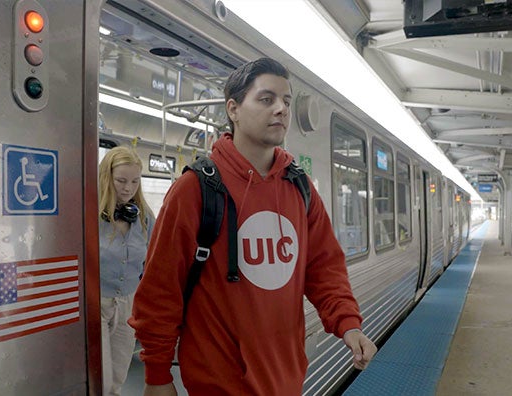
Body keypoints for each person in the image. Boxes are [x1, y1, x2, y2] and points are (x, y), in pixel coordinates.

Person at [129, 58, 377, 396]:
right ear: (233, 108)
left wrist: (349, 325)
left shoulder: (299, 188)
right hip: (218, 382)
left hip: (287, 378)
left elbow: (324, 270)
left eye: (286, 101)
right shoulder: (195, 189)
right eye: (266, 99)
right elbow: (160, 289)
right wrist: (157, 375)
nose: (281, 109)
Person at [98, 146, 155, 396]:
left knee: (118, 376)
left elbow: (155, 258)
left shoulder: (144, 217)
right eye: (121, 180)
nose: (128, 188)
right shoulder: (88, 214)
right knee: (100, 376)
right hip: (96, 302)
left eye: (134, 181)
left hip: (129, 304)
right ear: (106, 178)